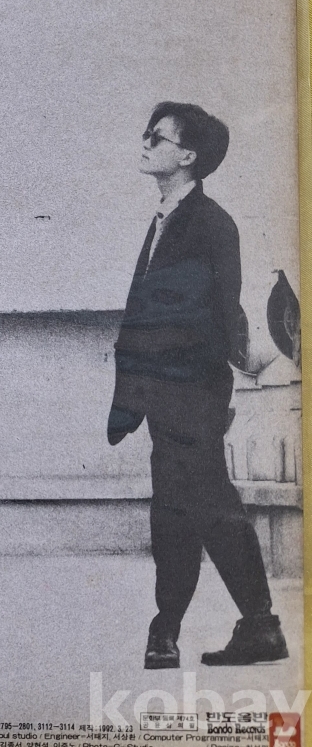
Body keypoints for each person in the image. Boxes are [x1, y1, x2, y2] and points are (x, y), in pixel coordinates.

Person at [107, 102, 288, 669]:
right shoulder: (165, 218)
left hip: (190, 392)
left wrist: (195, 393)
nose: (144, 143)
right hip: (168, 393)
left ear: (187, 156)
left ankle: (235, 626)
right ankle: (178, 629)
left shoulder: (211, 223)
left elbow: (218, 315)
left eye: (155, 137)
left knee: (202, 505)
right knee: (179, 509)